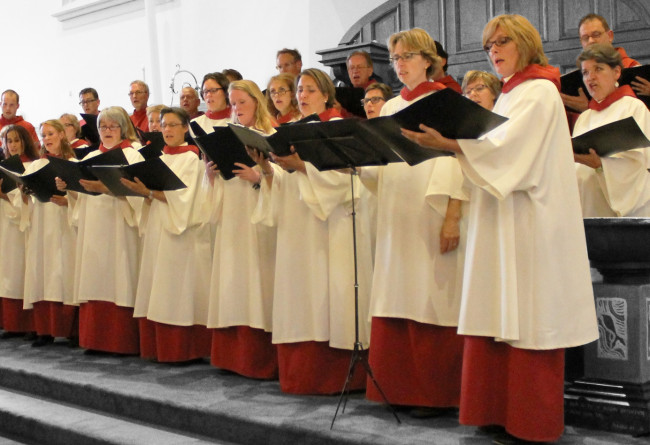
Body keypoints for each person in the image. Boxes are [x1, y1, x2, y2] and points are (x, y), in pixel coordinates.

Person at [401, 14, 598, 443]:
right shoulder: (511, 93)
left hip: (531, 223)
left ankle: (530, 420)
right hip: (503, 216)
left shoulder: (540, 90)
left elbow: (511, 153)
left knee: (527, 315)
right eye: (489, 44)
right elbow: (494, 150)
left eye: (503, 41)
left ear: (526, 42)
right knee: (499, 311)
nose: (494, 50)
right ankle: (496, 410)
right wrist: (458, 145)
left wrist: (452, 144)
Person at [359, 28, 467, 418]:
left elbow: (459, 161)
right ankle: (398, 388)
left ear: (427, 59)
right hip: (397, 214)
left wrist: (452, 216)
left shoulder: (446, 101)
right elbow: (381, 167)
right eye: (395, 58)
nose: (400, 65)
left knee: (431, 297)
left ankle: (435, 394)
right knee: (397, 295)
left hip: (431, 213)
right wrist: (356, 162)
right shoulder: (387, 108)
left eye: (407, 57)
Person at [248, 68, 372, 394]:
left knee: (328, 292)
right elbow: (284, 183)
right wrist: (266, 167)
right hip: (297, 227)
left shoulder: (337, 128)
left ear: (327, 94)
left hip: (330, 227)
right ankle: (299, 374)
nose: (302, 95)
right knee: (300, 294)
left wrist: (301, 166)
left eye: (310, 90)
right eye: (299, 89)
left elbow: (349, 180)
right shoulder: (288, 130)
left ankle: (334, 375)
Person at [127, 107, 211, 363]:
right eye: (164, 125)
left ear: (186, 128)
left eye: (174, 125)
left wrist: (149, 193)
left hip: (180, 234)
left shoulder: (190, 158)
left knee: (176, 286)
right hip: (157, 225)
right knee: (157, 281)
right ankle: (158, 346)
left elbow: (183, 200)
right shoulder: (158, 157)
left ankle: (183, 348)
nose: (168, 130)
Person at [59, 106, 145, 355]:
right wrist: (69, 187)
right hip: (94, 226)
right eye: (103, 127)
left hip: (121, 225)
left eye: (112, 126)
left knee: (120, 275)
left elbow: (140, 194)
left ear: (123, 128)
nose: (107, 131)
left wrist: (106, 187)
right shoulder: (89, 156)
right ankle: (95, 340)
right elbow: (81, 194)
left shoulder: (133, 155)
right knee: (95, 275)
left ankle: (121, 342)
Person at [206, 80, 278, 378]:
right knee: (233, 280)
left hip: (258, 220)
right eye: (233, 104)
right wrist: (210, 176)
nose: (236, 109)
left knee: (256, 281)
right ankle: (231, 357)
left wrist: (258, 177)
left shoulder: (271, 135)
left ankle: (258, 359)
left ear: (256, 103)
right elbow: (218, 187)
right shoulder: (227, 136)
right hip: (233, 218)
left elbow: (281, 180)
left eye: (242, 103)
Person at [573, 44, 650, 217]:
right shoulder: (585, 117)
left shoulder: (633, 108)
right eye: (585, 73)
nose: (590, 78)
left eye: (598, 69)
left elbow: (639, 165)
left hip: (624, 214)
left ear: (616, 72)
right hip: (587, 205)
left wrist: (601, 165)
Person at [23, 120, 78, 347]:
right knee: (44, 270)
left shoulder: (73, 163)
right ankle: (45, 329)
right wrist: (24, 189)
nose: (47, 138)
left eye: (51, 134)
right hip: (43, 221)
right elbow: (27, 199)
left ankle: (70, 330)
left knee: (64, 271)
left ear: (62, 136)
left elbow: (81, 195)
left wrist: (69, 200)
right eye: (43, 135)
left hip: (64, 222)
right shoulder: (36, 165)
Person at [0, 125, 39, 338]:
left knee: (23, 269)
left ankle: (28, 324)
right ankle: (11, 324)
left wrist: (5, 196)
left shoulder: (32, 166)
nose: (12, 145)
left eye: (16, 140)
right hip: (5, 227)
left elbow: (30, 200)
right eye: (8, 141)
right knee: (7, 271)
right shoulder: (4, 167)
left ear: (25, 141)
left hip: (25, 226)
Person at [562, 13, 643, 112]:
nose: (591, 41)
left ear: (610, 36)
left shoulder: (632, 67)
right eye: (585, 38)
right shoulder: (578, 79)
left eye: (596, 35)